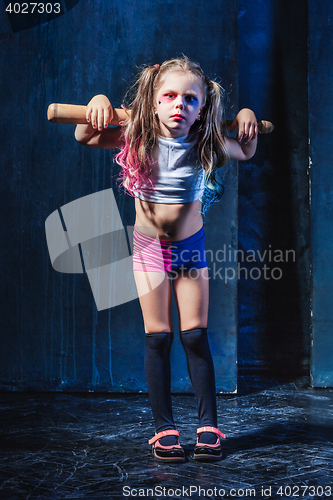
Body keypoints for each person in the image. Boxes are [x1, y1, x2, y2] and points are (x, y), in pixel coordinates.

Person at [74, 56, 258, 463]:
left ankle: (209, 426)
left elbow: (245, 148)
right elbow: (86, 136)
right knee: (158, 336)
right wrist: (98, 102)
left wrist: (245, 114)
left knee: (194, 335)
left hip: (190, 248)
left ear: (203, 108)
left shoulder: (206, 141)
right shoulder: (135, 138)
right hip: (148, 250)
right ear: (153, 102)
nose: (180, 105)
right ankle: (164, 429)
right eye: (170, 96)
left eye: (190, 99)